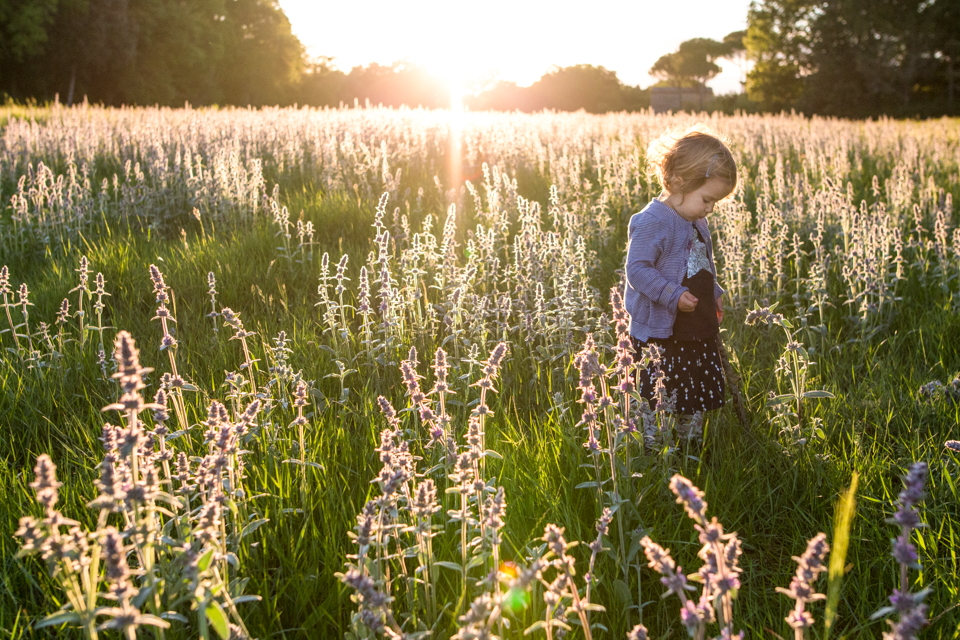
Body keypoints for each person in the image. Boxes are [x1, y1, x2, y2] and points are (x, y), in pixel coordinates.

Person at [624, 125, 738, 433]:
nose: (710, 209)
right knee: (658, 396)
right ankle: (654, 449)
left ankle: (690, 448)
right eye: (706, 199)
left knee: (692, 395)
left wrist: (713, 290)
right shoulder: (652, 221)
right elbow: (637, 270)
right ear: (677, 182)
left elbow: (699, 263)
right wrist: (672, 295)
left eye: (715, 202)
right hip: (662, 335)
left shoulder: (695, 219)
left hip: (694, 329)